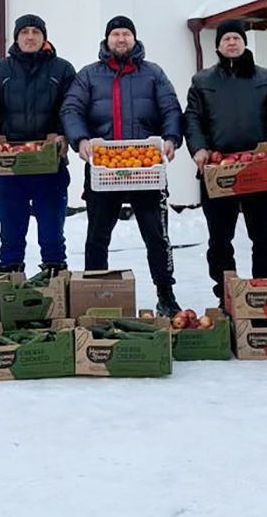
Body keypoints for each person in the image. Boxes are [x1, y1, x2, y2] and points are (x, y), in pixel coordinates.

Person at [61, 16, 184, 316]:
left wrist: (171, 138)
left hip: (146, 167)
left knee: (157, 236)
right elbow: (72, 108)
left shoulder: (153, 73)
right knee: (97, 236)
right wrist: (80, 140)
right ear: (107, 40)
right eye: (115, 34)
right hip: (104, 166)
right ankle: (94, 294)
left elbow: (171, 108)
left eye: (126, 34)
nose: (121, 39)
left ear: (134, 39)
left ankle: (166, 294)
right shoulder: (89, 75)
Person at [183, 20, 267, 307]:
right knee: (219, 239)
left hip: (257, 169)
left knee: (263, 236)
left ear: (244, 43)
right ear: (218, 45)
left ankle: (265, 290)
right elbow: (191, 118)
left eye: (236, 38)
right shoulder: (202, 81)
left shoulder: (265, 78)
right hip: (219, 171)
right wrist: (199, 149)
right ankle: (226, 295)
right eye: (226, 38)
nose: (231, 42)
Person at [0, 14, 76, 273]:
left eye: (35, 32)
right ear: (16, 37)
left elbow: (72, 108)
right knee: (10, 231)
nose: (30, 36)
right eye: (24, 32)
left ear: (44, 37)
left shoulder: (62, 69)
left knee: (52, 232)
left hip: (50, 164)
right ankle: (11, 280)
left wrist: (65, 134)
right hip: (11, 166)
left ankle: (54, 281)